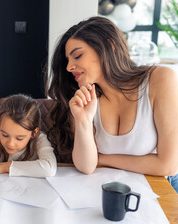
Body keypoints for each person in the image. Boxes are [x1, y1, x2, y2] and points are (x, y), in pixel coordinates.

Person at [46, 16, 178, 192]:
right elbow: (86, 166)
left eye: (77, 55)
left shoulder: (159, 79)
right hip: (109, 190)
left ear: (109, 46)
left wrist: (103, 158)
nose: (69, 67)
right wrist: (83, 121)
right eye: (68, 60)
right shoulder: (85, 99)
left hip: (158, 190)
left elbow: (168, 165)